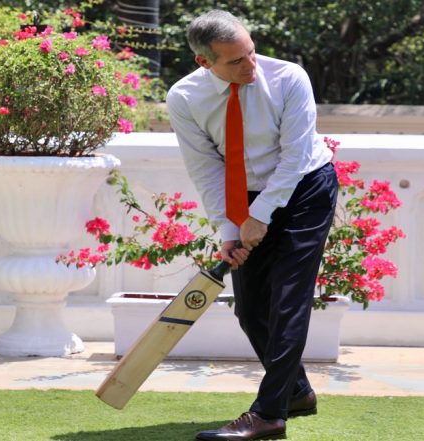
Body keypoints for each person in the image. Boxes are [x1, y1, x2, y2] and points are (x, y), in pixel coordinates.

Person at [166, 10, 337, 441]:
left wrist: (260, 218)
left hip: (305, 189)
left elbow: (294, 157)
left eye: (252, 51)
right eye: (237, 61)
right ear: (205, 63)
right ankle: (297, 393)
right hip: (245, 196)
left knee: (288, 301)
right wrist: (229, 229)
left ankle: (269, 413)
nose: (251, 65)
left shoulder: (289, 78)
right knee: (250, 309)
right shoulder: (184, 98)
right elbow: (206, 170)